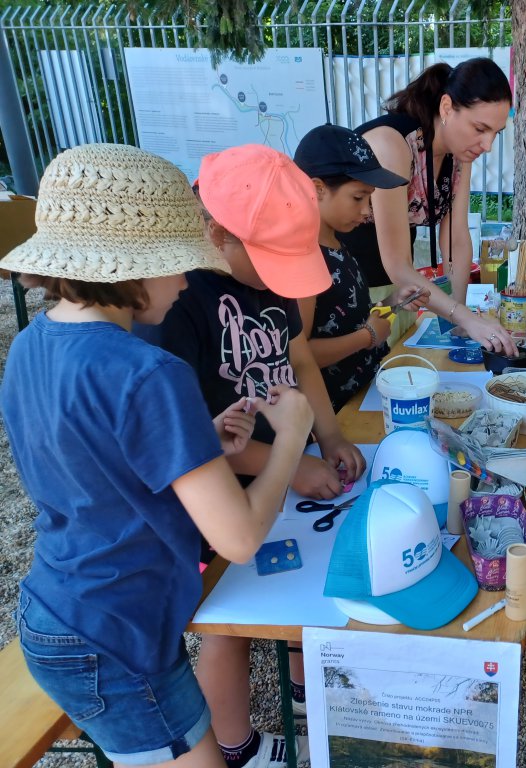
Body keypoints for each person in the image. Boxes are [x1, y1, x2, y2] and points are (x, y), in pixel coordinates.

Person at [0, 143, 314, 767]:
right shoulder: (151, 372)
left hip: (59, 606)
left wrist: (197, 439)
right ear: (130, 268)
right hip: (119, 636)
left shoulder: (30, 345)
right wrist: (293, 437)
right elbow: (241, 539)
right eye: (178, 265)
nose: (184, 280)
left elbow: (94, 462)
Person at [139, 143, 367, 767]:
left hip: (280, 465)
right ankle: (235, 744)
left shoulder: (271, 283)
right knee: (229, 616)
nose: (279, 280)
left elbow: (296, 361)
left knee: (302, 574)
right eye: (272, 263)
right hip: (219, 492)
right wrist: (290, 464)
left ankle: (300, 688)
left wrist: (330, 437)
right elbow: (190, 440)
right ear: (218, 233)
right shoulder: (176, 303)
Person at [339, 57, 518, 356]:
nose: (487, 145)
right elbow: (397, 264)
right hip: (349, 296)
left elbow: (456, 240)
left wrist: (461, 321)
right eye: (479, 128)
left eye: (495, 134)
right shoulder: (392, 144)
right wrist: (464, 317)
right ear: (447, 108)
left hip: (401, 296)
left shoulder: (458, 156)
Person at [293, 124, 430, 411]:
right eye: (358, 198)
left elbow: (346, 315)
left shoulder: (339, 243)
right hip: (332, 413)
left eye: (370, 198)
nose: (367, 210)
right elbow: (299, 353)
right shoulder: (302, 258)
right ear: (317, 189)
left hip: (364, 393)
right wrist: (366, 337)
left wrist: (393, 302)